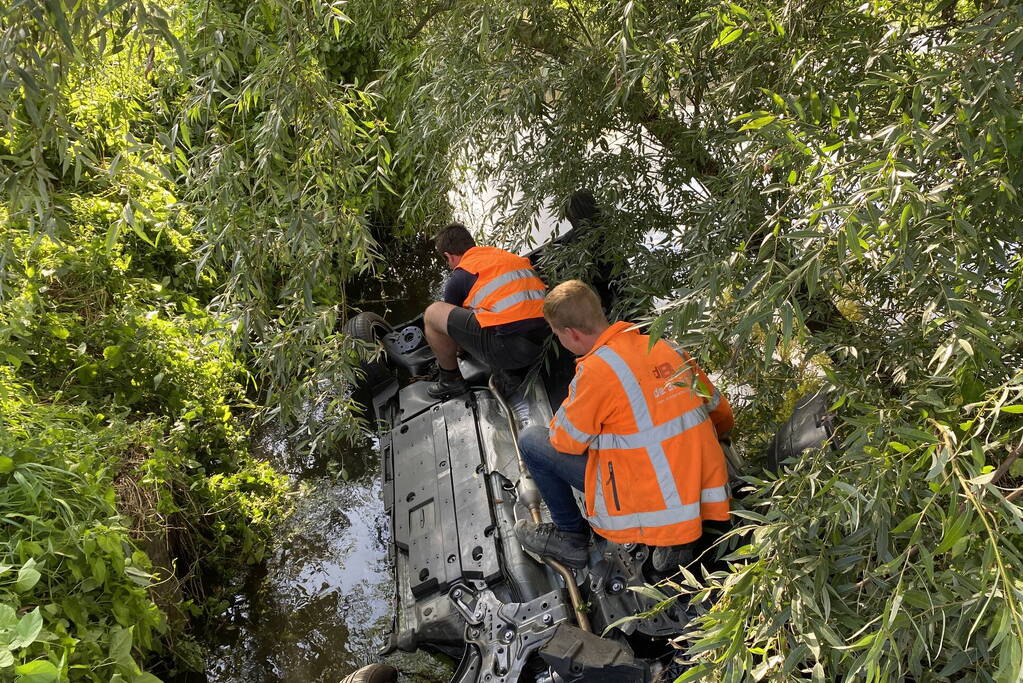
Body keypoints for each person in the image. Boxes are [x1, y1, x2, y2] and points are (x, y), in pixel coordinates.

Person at [514, 280, 734, 570]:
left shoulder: (595, 372)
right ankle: (681, 532)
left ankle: (571, 538)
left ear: (571, 334)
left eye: (557, 335)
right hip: (705, 490)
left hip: (655, 503)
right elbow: (721, 414)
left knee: (532, 440)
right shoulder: (665, 346)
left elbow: (564, 440)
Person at [424, 223, 550, 398]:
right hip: (547, 341)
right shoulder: (505, 256)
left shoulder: (460, 277)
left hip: (513, 351)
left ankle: (450, 381)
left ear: (448, 256)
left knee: (432, 313)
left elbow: (454, 335)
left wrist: (459, 350)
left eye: (446, 260)